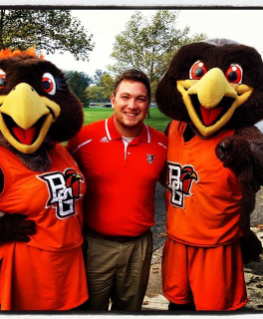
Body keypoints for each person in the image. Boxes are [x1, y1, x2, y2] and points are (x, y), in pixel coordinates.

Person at [66, 69, 167, 311]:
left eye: (140, 99)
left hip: (139, 247)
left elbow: (178, 186)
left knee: (129, 311)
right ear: (113, 99)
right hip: (95, 246)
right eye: (125, 97)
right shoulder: (83, 139)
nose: (132, 105)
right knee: (90, 311)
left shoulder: (162, 143)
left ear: (148, 104)